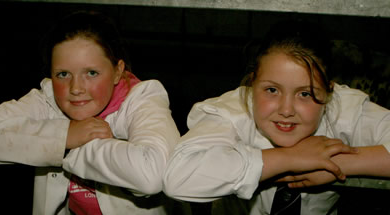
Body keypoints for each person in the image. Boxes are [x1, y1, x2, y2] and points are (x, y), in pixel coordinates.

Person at [163, 20, 390, 214]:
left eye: (305, 94)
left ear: (329, 91)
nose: (286, 109)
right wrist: (290, 158)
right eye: (272, 90)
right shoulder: (234, 111)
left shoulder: (342, 109)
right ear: (253, 83)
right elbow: (178, 177)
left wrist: (336, 163)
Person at [0, 11, 182, 215]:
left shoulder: (143, 99)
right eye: (63, 74)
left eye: (91, 73)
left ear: (118, 71)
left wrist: (67, 146)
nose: (75, 88)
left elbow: (152, 175)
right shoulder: (47, 99)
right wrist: (66, 135)